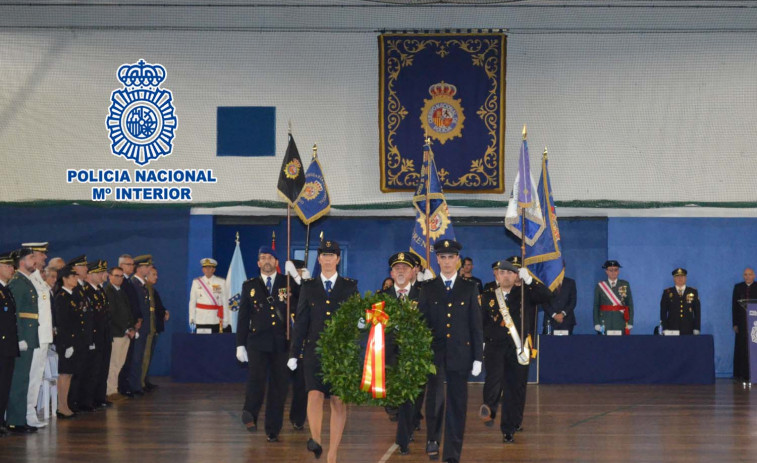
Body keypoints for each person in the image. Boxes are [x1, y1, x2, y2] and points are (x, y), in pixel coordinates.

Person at [288, 240, 358, 463]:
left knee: (338, 400)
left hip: (340, 353)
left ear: (338, 259)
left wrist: (361, 322)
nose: (327, 259)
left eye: (332, 255)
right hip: (314, 351)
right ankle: (316, 439)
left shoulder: (349, 287)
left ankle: (333, 452)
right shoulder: (308, 287)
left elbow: (354, 318)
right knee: (314, 394)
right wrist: (293, 353)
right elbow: (301, 323)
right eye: (324, 255)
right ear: (318, 259)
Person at [417, 240, 483, 463]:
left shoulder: (469, 288)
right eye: (442, 258)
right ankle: (433, 438)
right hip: (433, 353)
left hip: (460, 353)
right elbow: (421, 323)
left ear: (458, 260)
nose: (446, 262)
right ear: (437, 260)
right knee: (434, 399)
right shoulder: (427, 288)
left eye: (450, 258)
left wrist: (477, 357)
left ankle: (452, 453)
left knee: (457, 404)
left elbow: (475, 324)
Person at [479, 260, 551, 443]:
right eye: (502, 273)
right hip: (494, 346)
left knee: (514, 388)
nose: (505, 276)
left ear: (515, 276)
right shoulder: (488, 295)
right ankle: (490, 409)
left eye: (510, 273)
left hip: (518, 347)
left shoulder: (525, 294)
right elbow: (481, 321)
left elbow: (547, 295)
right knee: (493, 380)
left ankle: (508, 429)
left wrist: (530, 280)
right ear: (497, 275)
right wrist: (480, 343)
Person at [237, 246, 296, 442]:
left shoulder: (286, 282)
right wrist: (240, 344)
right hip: (257, 341)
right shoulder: (250, 286)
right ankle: (249, 413)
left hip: (282, 342)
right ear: (258, 263)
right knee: (256, 379)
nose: (267, 260)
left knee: (279, 387)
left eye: (270, 257)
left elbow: (304, 298)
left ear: (277, 262)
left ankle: (272, 429)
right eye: (262, 257)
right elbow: (243, 317)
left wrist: (295, 276)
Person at [378, 252, 422, 455]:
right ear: (391, 273)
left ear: (413, 272)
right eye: (397, 268)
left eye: (405, 268)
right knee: (395, 399)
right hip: (389, 356)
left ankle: (403, 438)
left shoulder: (422, 295)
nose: (401, 271)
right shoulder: (382, 297)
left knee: (410, 398)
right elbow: (374, 327)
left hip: (414, 355)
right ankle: (401, 419)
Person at [7, 248, 40, 433]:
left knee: (24, 378)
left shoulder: (26, 281)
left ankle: (19, 418)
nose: (34, 261)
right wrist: (19, 337)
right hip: (23, 338)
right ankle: (14, 420)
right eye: (31, 258)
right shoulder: (18, 283)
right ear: (21, 261)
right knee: (19, 379)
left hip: (30, 336)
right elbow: (15, 312)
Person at [20, 242, 52, 428]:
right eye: (41, 254)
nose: (44, 258)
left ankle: (30, 410)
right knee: (30, 376)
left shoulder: (38, 278)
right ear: (31, 256)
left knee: (36, 376)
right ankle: (26, 413)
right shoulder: (27, 279)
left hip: (43, 336)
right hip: (34, 337)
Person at [53, 265, 82, 418]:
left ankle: (65, 405)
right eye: (73, 276)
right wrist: (68, 344)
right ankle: (61, 406)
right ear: (65, 279)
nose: (76, 279)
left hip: (74, 341)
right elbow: (62, 323)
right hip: (66, 342)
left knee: (69, 374)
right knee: (64, 374)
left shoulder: (72, 296)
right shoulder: (61, 297)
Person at [104, 266, 136, 401]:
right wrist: (125, 329)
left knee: (120, 363)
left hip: (125, 333)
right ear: (109, 276)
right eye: (116, 275)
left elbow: (127, 312)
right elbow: (112, 314)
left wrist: (131, 326)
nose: (119, 278)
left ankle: (114, 389)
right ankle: (110, 391)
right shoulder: (109, 291)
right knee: (114, 363)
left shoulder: (121, 291)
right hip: (117, 333)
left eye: (121, 276)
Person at [287, 259, 310, 431]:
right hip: (283, 344)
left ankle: (298, 418)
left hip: (300, 345)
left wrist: (299, 279)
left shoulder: (306, 289)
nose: (299, 273)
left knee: (300, 386)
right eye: (296, 271)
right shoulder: (284, 289)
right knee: (278, 386)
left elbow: (304, 293)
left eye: (301, 270)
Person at [0, 251, 20, 437]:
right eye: (7, 266)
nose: (11, 269)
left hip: (7, 347)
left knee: (5, 384)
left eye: (12, 266)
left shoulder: (6, 290)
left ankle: (1, 420)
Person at [143, 266, 168, 392]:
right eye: (153, 274)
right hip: (149, 327)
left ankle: (144, 380)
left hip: (154, 327)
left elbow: (158, 307)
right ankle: (141, 382)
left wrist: (164, 312)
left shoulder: (152, 290)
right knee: (144, 356)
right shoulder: (146, 289)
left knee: (149, 356)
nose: (156, 277)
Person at [189, 258, 230, 333]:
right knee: (200, 343)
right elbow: (192, 302)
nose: (207, 270)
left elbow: (225, 302)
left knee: (214, 343)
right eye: (205, 267)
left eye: (209, 267)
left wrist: (225, 320)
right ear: (202, 269)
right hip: (200, 319)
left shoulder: (221, 282)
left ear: (213, 269)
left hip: (215, 319)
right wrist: (192, 319)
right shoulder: (196, 282)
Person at [593, 260, 634, 335]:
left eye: (615, 270)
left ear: (618, 271)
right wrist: (597, 323)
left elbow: (630, 305)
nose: (613, 272)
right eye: (610, 270)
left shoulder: (625, 284)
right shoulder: (600, 286)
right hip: (604, 321)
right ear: (606, 271)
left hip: (621, 321)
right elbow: (596, 306)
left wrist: (630, 322)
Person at [660, 268, 700, 335]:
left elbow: (697, 312)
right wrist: (664, 328)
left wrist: (697, 328)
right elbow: (663, 313)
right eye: (677, 276)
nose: (680, 278)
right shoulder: (667, 292)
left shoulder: (693, 292)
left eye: (682, 276)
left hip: (689, 329)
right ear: (674, 278)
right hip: (671, 329)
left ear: (686, 278)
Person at [732, 267, 755, 383]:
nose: (747, 276)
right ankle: (740, 374)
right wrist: (735, 323)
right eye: (745, 274)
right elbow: (734, 307)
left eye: (750, 274)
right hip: (741, 323)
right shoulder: (738, 288)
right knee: (741, 348)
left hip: (755, 323)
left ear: (754, 276)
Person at [542, 269, 577, 335]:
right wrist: (554, 315)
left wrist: (562, 314)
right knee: (548, 344)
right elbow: (544, 301)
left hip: (566, 322)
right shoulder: (546, 283)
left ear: (564, 269)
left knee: (566, 344)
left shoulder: (570, 283)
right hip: (550, 321)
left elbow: (573, 301)